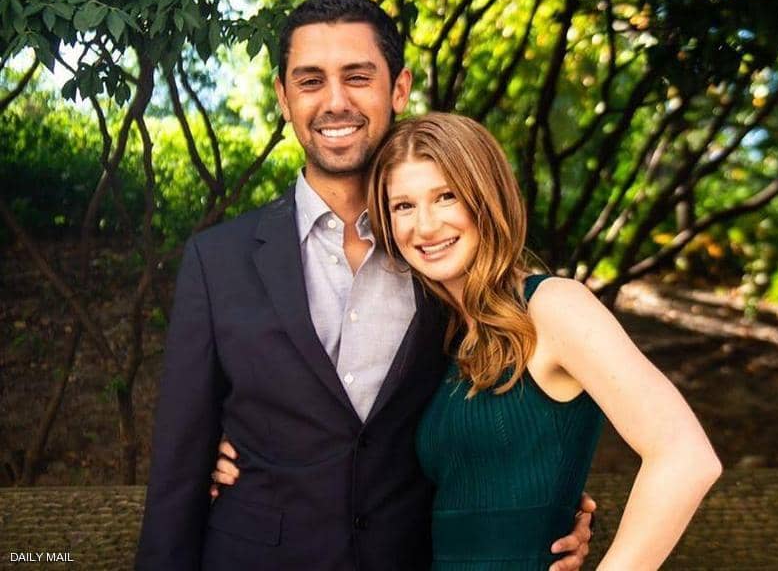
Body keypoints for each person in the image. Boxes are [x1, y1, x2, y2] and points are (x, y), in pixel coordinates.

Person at [136, 0, 593, 571]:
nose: (335, 102)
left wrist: (554, 509)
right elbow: (178, 467)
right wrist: (210, 456)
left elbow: (514, 411)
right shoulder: (215, 260)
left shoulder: (448, 256)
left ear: (398, 88)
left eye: (357, 77)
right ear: (282, 97)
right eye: (310, 81)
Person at [213, 113, 722, 569]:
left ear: (486, 197)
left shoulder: (554, 305)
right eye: (403, 206)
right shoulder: (444, 334)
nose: (426, 225)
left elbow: (685, 457)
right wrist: (231, 449)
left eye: (446, 196)